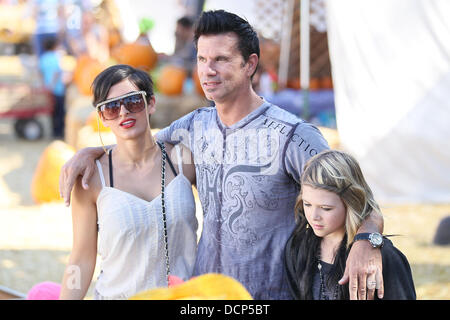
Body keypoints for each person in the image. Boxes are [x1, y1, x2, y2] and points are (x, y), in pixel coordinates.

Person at [59, 10, 384, 300]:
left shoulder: (293, 137)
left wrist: (367, 242)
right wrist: (93, 152)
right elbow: (136, 142)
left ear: (250, 64)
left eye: (222, 60)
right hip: (200, 296)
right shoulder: (191, 128)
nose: (208, 71)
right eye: (202, 59)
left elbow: (362, 205)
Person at [58, 64, 197, 300]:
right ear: (102, 117)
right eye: (111, 107)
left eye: (132, 101)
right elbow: (80, 258)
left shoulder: (184, 160)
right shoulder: (91, 180)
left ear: (150, 103)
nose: (123, 112)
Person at [284, 150, 416, 300]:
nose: (314, 216)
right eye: (307, 204)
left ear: (351, 202)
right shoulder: (297, 247)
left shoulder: (384, 257)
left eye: (326, 208)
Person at [38, 36, 66, 139]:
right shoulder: (56, 57)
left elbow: (40, 73)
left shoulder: (43, 58)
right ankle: (60, 132)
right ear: (54, 46)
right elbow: (56, 73)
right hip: (58, 90)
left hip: (48, 90)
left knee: (52, 113)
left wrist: (45, 85)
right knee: (60, 112)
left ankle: (54, 132)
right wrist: (52, 85)